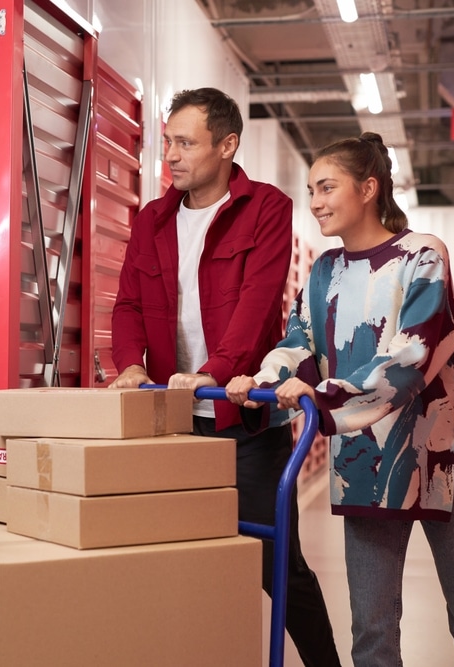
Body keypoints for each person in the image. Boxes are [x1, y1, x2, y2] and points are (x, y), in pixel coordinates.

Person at [225, 132, 454, 667]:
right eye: (311, 190)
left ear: (368, 188)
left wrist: (322, 395)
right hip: (365, 462)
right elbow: (298, 342)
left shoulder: (422, 256)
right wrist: (260, 382)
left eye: (327, 187)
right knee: (372, 634)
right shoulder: (324, 270)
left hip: (444, 459)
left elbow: (411, 358)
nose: (315, 202)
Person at [109, 87, 341, 667]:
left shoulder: (265, 208)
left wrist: (209, 373)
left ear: (227, 144)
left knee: (278, 567)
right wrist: (131, 363)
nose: (171, 155)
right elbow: (128, 303)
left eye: (186, 143)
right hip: (171, 425)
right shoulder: (152, 219)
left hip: (243, 423)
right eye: (168, 142)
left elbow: (257, 306)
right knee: (177, 563)